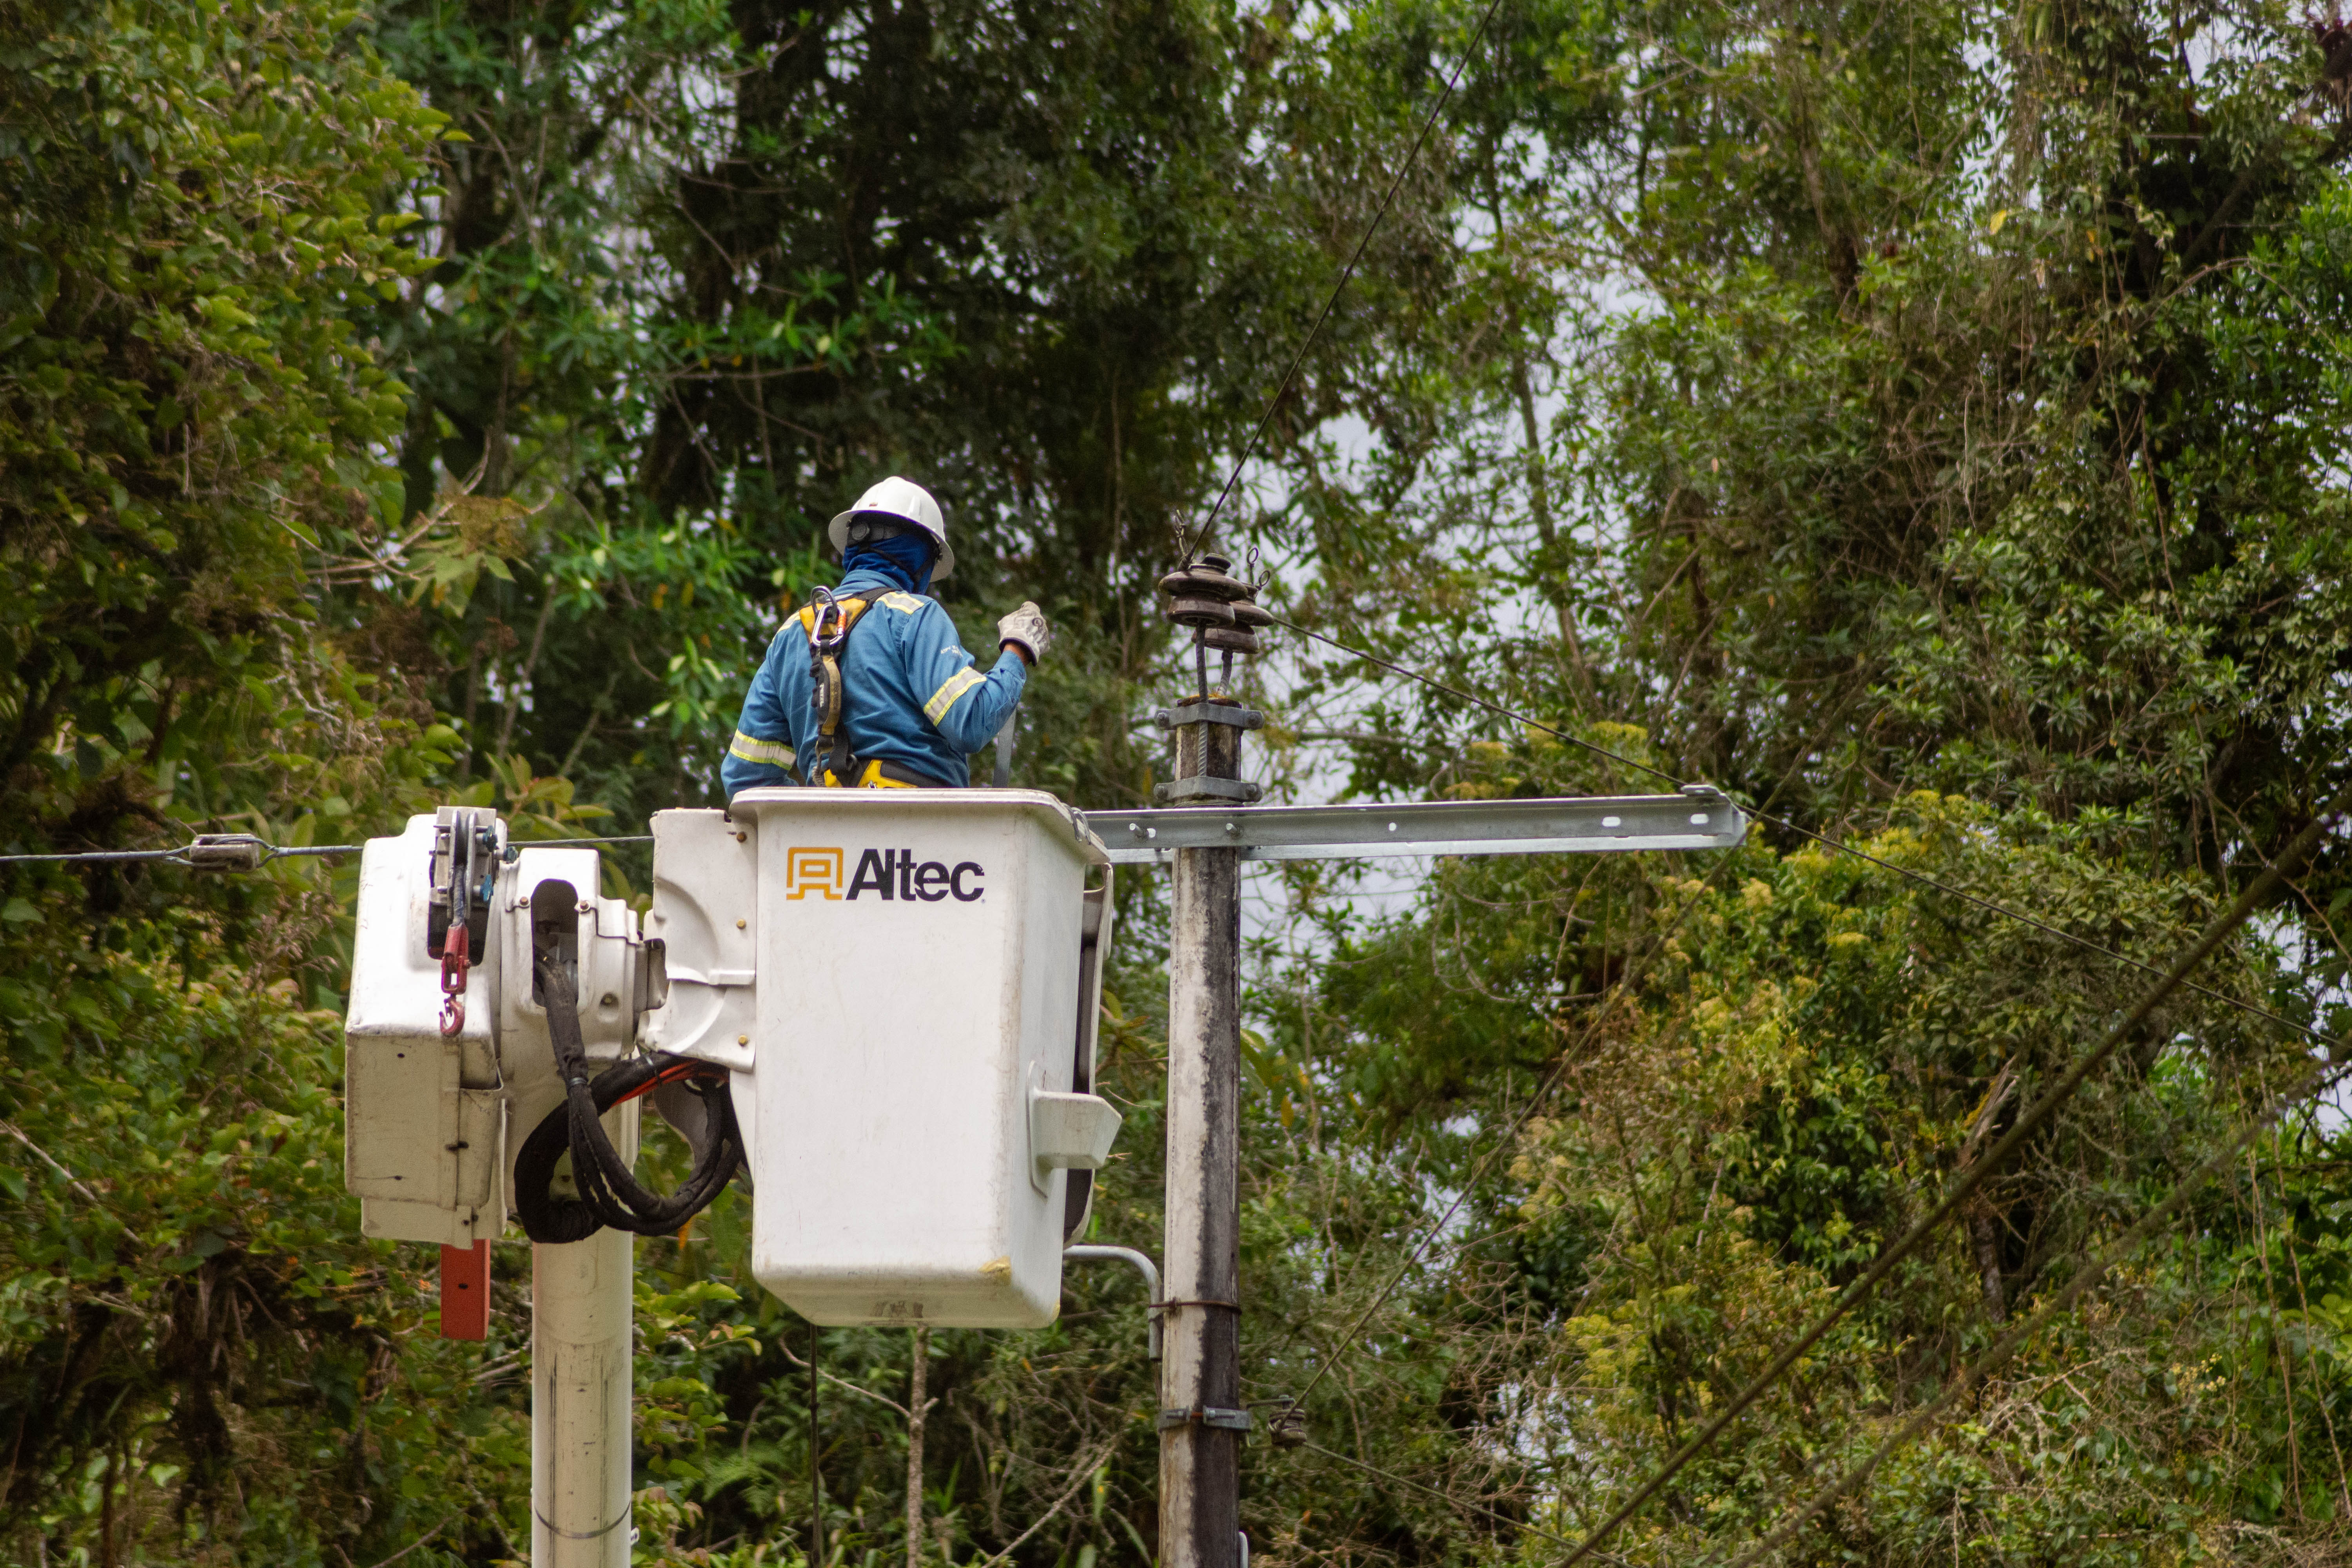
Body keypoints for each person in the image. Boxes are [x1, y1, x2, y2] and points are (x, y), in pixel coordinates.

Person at [722, 476, 1049, 795]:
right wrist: (1018, 650)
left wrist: (812, 812)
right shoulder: (914, 615)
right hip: (921, 833)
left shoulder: (792, 634)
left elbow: (746, 776)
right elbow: (971, 723)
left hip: (824, 837)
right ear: (920, 555)